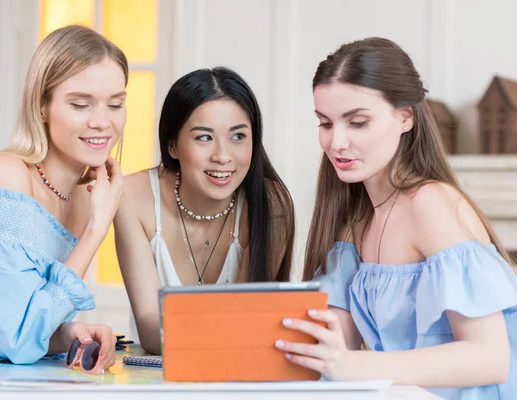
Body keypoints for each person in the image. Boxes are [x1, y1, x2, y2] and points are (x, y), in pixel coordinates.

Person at [275, 37, 517, 399]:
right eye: (325, 123)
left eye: (357, 122)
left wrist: (355, 366)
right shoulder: (354, 220)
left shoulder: (430, 204)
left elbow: (491, 358)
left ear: (405, 117)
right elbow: (333, 340)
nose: (336, 142)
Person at [0, 25, 128, 399]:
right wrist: (98, 228)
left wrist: (68, 334)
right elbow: (14, 339)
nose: (102, 122)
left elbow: (19, 323)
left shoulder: (81, 198)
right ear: (42, 106)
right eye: (80, 104)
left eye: (115, 103)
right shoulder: (4, 176)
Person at [114, 67, 295, 354]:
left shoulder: (269, 203)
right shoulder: (132, 196)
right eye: (204, 138)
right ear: (172, 145)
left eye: (238, 137)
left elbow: (249, 322)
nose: (222, 156)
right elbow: (150, 330)